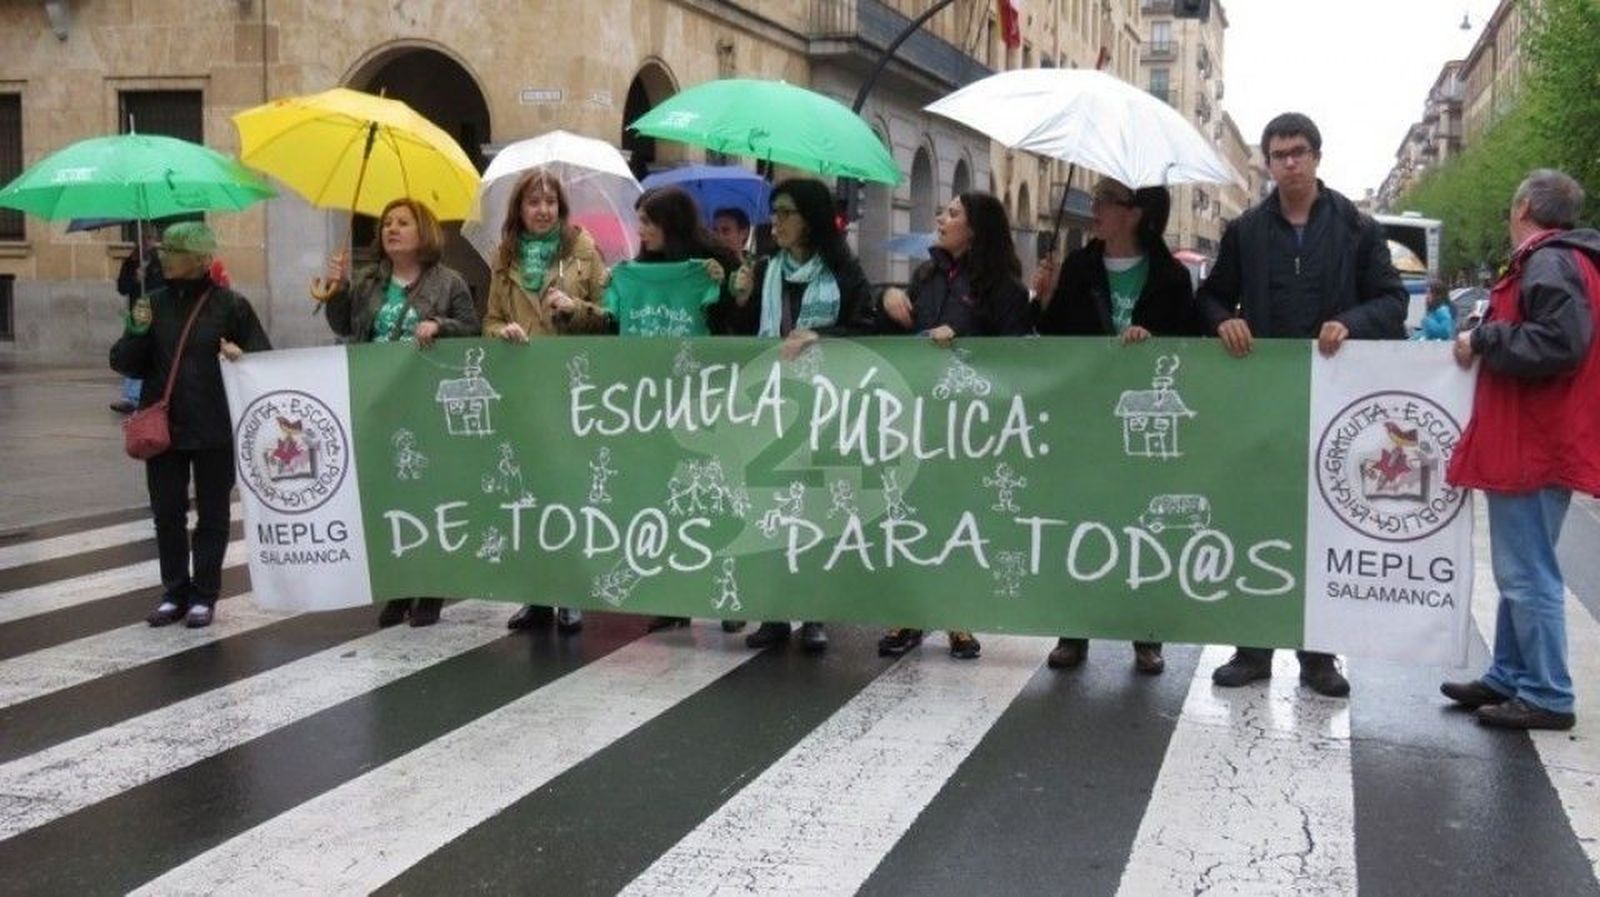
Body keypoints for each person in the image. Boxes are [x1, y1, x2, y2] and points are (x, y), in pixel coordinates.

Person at [1198, 112, 1406, 698]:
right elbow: (1211, 297)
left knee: (1323, 528)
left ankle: (1318, 656)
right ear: (1267, 163)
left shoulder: (1356, 228)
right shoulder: (1244, 231)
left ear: (1317, 157)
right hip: (1262, 402)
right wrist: (1224, 321)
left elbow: (1390, 302)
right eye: (1278, 153)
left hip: (1334, 403)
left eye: (1298, 152)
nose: (1289, 162)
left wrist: (1350, 321)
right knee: (1258, 520)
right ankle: (1252, 649)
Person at [1441, 169, 1600, 731]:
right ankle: (1509, 675)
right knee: (1522, 569)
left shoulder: (1547, 260)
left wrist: (1484, 339)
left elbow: (1562, 342)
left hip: (1533, 440)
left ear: (1526, 204)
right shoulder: (1564, 259)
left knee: (1527, 572)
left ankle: (1547, 693)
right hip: (1539, 436)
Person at [1036, 178, 1205, 675]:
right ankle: (1074, 630)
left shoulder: (1170, 277)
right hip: (1087, 419)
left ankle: (1146, 633)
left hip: (1145, 419)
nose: (1096, 209)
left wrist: (1150, 342)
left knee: (1143, 523)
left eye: (1106, 201)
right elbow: (1051, 341)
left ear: (1134, 213)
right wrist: (1042, 299)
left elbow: (1189, 346)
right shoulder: (1079, 265)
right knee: (1083, 520)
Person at [875, 191, 1034, 661]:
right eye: (942, 210)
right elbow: (894, 333)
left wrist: (964, 342)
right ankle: (908, 614)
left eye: (953, 213)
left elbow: (1017, 354)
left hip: (970, 424)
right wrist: (885, 297)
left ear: (976, 228)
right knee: (916, 514)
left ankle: (960, 616)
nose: (941, 218)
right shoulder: (926, 276)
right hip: (920, 418)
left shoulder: (1002, 288)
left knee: (962, 518)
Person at [726, 178, 879, 654]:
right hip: (770, 407)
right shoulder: (766, 268)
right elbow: (738, 336)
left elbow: (868, 326)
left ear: (810, 219)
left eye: (788, 212)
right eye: (775, 212)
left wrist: (822, 334)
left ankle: (814, 613)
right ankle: (773, 613)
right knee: (769, 507)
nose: (778, 221)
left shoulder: (842, 269)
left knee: (815, 509)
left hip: (824, 408)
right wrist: (740, 297)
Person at [321, 197, 479, 628]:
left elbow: (472, 332)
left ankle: (429, 587)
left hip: (427, 407)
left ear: (423, 232)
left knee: (428, 499)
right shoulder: (370, 282)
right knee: (384, 500)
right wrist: (336, 290)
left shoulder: (450, 284)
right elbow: (345, 327)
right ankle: (396, 586)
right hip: (379, 404)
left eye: (403, 223)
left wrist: (441, 326)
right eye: (387, 222)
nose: (391, 229)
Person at [109, 222, 271, 628]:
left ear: (199, 259)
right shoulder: (152, 304)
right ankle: (174, 591)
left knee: (213, 514)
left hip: (215, 426)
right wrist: (136, 330)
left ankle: (205, 593)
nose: (164, 257)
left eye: (173, 251)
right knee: (167, 512)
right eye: (164, 250)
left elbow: (263, 360)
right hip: (164, 427)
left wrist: (240, 355)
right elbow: (125, 363)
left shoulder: (231, 306)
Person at [604, 186, 742, 634]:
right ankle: (673, 597)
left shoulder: (710, 267)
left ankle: (728, 593)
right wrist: (607, 292)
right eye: (639, 221)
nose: (640, 231)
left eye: (648, 221)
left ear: (672, 224)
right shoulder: (634, 271)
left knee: (713, 494)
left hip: (706, 400)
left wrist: (724, 287)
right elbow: (611, 325)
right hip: (651, 405)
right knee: (663, 497)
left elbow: (736, 324)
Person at [484, 167, 611, 636]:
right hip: (524, 391)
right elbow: (490, 320)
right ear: (519, 210)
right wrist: (505, 331)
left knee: (570, 493)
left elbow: (612, 317)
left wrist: (576, 310)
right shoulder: (505, 257)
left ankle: (572, 593)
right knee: (529, 493)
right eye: (533, 202)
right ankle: (536, 594)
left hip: (574, 390)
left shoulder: (583, 252)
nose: (542, 210)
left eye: (550, 202)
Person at [112, 227, 164, 413]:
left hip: (157, 312)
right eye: (144, 238)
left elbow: (165, 286)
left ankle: (150, 394)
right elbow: (122, 288)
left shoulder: (160, 261)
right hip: (138, 313)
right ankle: (131, 396)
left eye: (151, 238)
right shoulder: (131, 261)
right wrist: (136, 277)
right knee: (135, 349)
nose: (148, 242)